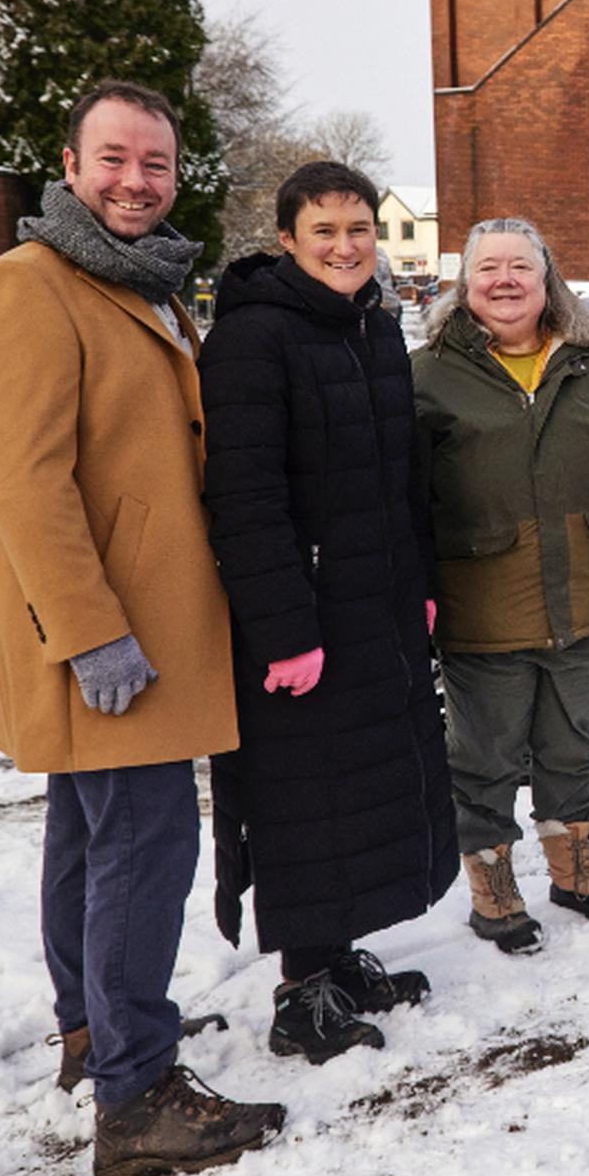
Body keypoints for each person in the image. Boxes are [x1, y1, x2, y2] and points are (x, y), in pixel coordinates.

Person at [0, 79, 283, 1176]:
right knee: (145, 849)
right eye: (114, 159)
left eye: (154, 163)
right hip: (110, 641)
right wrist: (93, 634)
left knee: (91, 842)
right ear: (69, 161)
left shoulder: (137, 286)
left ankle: (98, 1034)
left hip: (141, 626)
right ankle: (137, 1098)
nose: (135, 181)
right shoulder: (25, 288)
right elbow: (26, 483)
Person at [196, 161, 458, 1063]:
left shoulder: (376, 331)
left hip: (376, 607)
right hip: (304, 623)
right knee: (309, 799)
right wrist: (285, 630)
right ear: (288, 242)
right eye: (326, 233)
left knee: (367, 789)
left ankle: (338, 958)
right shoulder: (251, 340)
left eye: (359, 230)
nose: (346, 247)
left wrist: (419, 582)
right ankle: (301, 991)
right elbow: (244, 497)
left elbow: (401, 480)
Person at [412, 217, 589, 953]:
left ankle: (575, 874)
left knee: (575, 748)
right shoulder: (427, 376)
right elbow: (399, 504)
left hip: (588, 608)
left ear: (547, 280)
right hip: (481, 614)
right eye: (487, 268)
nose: (504, 281)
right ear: (464, 285)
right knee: (484, 759)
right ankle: (493, 888)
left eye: (520, 268)